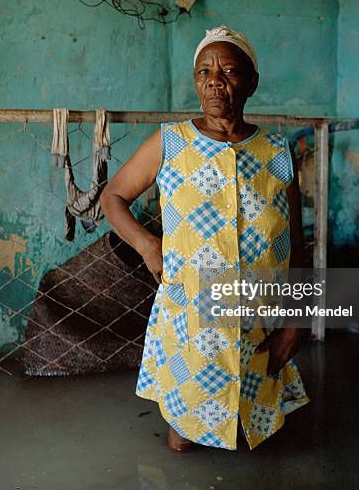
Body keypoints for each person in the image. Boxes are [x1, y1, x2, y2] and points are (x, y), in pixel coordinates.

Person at [100, 25, 309, 452]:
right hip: (191, 315)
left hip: (258, 313)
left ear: (251, 81)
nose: (214, 80)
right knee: (184, 436)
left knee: (255, 424)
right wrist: (147, 245)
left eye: (228, 71)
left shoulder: (277, 151)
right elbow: (113, 196)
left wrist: (295, 321)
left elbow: (297, 243)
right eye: (203, 72)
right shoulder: (170, 142)